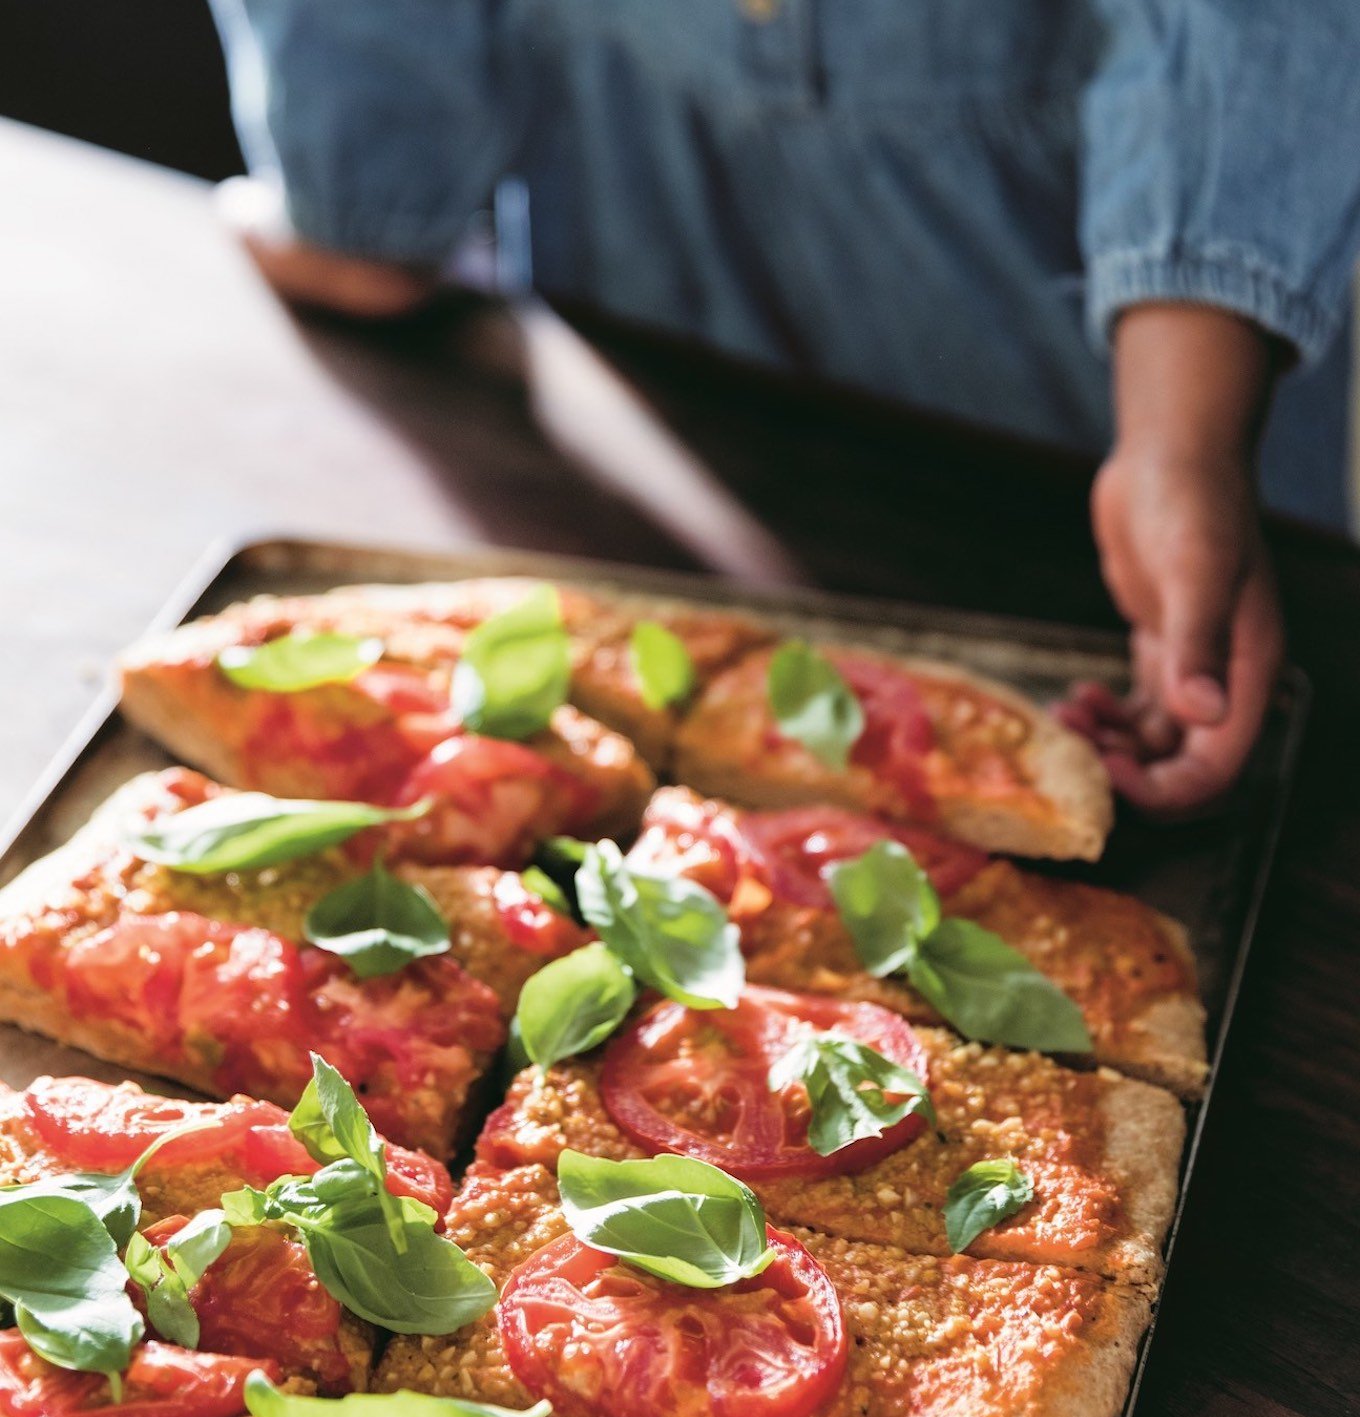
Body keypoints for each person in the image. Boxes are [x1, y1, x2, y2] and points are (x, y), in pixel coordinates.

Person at [206, 0, 1360, 814]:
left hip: (1084, 493)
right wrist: (1175, 447)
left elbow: (364, 234)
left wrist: (1184, 441)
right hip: (1105, 455)